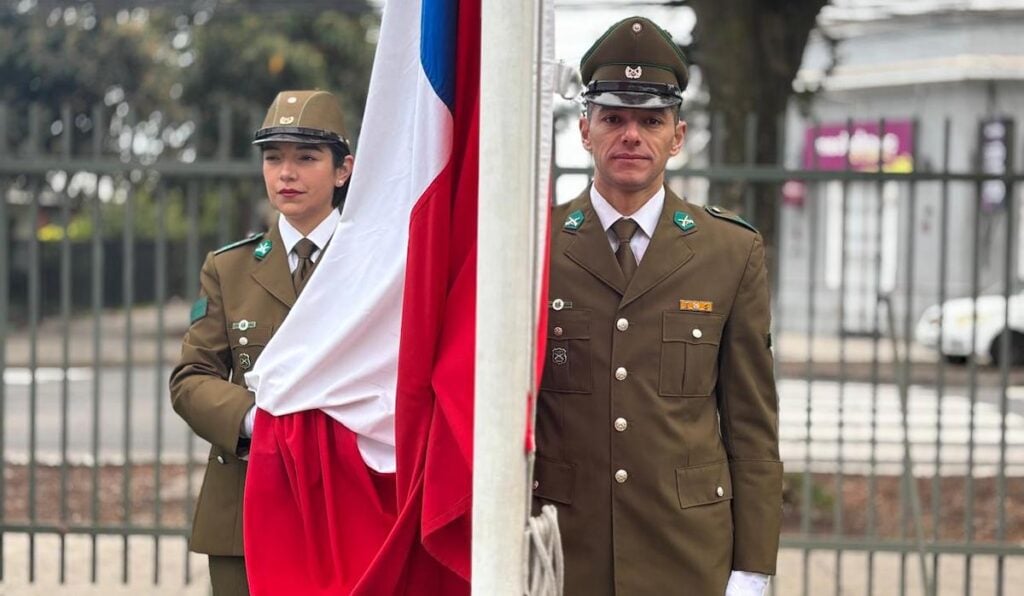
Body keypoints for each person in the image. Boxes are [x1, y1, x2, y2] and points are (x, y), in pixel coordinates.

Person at [532, 16, 783, 596]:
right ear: (584, 129)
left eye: (651, 121)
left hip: (687, 551)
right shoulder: (536, 246)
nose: (631, 136)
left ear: (678, 136)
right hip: (565, 549)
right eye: (614, 118)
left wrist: (753, 567)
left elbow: (751, 425)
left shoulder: (729, 251)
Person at [169, 89, 353, 596]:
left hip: (347, 505)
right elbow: (191, 379)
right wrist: (260, 422)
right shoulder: (229, 268)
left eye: (306, 157)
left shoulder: (375, 263)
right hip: (246, 509)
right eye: (273, 158)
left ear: (343, 170)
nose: (286, 173)